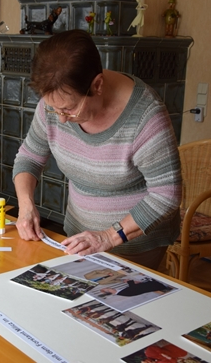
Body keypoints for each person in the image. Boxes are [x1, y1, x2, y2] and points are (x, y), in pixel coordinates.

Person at [12, 29, 182, 270]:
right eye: (53, 109)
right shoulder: (57, 100)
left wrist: (109, 237)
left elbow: (166, 194)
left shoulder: (145, 116)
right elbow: (29, 157)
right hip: (78, 238)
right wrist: (26, 205)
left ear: (97, 85)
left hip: (136, 247)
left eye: (69, 110)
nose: (61, 119)